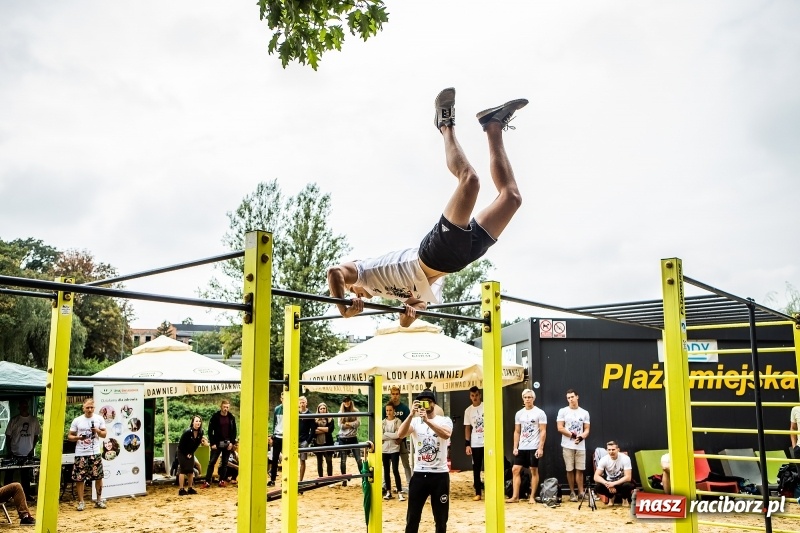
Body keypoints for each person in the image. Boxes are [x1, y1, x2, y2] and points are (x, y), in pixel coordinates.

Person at [327, 88, 527, 328]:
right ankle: (492, 124)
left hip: (434, 255)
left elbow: (334, 273)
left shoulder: (363, 272)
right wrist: (408, 312)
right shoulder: (386, 292)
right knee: (511, 198)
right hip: (461, 257)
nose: (356, 296)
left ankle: (444, 123)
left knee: (470, 180)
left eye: (352, 291)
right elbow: (409, 318)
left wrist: (342, 308)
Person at [397, 389, 453, 533]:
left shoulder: (444, 420)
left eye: (427, 402)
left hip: (439, 475)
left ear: (434, 403)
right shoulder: (415, 421)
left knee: (441, 519)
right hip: (420, 474)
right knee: (412, 517)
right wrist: (410, 415)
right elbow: (400, 434)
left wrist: (428, 422)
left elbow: (446, 434)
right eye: (421, 402)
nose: (424, 405)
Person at [506, 389, 547, 504]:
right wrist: (515, 447)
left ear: (533, 398)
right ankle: (515, 496)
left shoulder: (540, 413)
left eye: (529, 397)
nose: (527, 399)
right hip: (522, 446)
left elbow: (543, 431)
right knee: (515, 469)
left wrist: (540, 447)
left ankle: (532, 497)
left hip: (534, 446)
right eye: (525, 397)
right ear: (522, 398)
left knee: (533, 470)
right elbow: (517, 431)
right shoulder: (519, 413)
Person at [67, 398, 108, 511]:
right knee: (80, 478)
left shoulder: (99, 419)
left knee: (98, 477)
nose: (89, 410)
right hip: (81, 453)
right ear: (83, 408)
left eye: (91, 407)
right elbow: (69, 436)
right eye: (87, 408)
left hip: (95, 452)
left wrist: (98, 431)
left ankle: (99, 500)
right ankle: (81, 502)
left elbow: (104, 434)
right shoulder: (77, 420)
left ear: (94, 408)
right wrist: (78, 438)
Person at [556, 389, 590, 502]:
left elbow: (587, 429)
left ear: (577, 397)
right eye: (568, 398)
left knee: (580, 470)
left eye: (572, 397)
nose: (571, 399)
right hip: (567, 445)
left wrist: (581, 437)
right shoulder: (563, 411)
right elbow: (560, 427)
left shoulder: (584, 412)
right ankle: (572, 492)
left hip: (580, 445)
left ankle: (581, 492)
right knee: (569, 469)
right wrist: (573, 435)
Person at [3, 399, 41, 501]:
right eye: (22, 406)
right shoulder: (14, 420)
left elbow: (37, 435)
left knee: (26, 475)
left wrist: (32, 448)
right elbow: (8, 436)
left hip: (27, 452)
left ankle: (26, 495)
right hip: (14, 451)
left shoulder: (34, 420)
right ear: (19, 407)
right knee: (9, 474)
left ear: (28, 407)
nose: (24, 408)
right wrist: (9, 450)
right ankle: (6, 496)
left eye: (26, 406)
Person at [203, 399, 237, 488]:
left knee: (225, 463)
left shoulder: (231, 417)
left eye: (227, 407)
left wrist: (232, 443)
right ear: (221, 407)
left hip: (227, 442)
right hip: (217, 443)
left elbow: (234, 431)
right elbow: (210, 431)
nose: (226, 409)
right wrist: (212, 443)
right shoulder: (215, 417)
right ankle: (207, 481)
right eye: (224, 407)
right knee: (212, 462)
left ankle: (222, 480)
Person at [386, 386, 412, 494]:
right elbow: (383, 424)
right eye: (393, 394)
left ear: (399, 395)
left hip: (401, 440)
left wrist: (401, 439)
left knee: (405, 463)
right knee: (388, 465)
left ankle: (410, 484)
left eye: (397, 394)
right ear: (390, 394)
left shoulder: (405, 409)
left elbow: (409, 425)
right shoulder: (387, 408)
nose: (395, 396)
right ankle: (385, 486)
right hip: (389, 442)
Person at [593, 440, 635, 506]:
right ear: (607, 450)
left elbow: (628, 477)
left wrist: (614, 483)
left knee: (628, 485)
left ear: (618, 450)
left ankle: (624, 499)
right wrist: (607, 484)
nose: (611, 452)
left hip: (621, 483)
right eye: (609, 450)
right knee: (598, 487)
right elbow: (596, 476)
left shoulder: (625, 458)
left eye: (613, 449)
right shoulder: (604, 459)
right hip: (609, 482)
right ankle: (611, 497)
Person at [463, 386, 484, 501]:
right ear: (470, 396)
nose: (475, 397)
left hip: (488, 441)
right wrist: (467, 444)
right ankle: (478, 492)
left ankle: (492, 490)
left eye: (476, 395)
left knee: (490, 466)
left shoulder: (486, 406)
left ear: (479, 395)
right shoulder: (468, 411)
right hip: (476, 442)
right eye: (472, 395)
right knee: (476, 467)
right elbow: (467, 427)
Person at [177, 415, 206, 496]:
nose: (198, 423)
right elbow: (181, 445)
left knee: (190, 470)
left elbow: (196, 444)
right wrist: (186, 454)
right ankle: (181, 489)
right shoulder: (187, 432)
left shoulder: (201, 432)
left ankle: (190, 488)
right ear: (193, 422)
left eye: (199, 421)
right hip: (182, 451)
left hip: (190, 452)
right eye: (196, 421)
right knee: (183, 470)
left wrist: (191, 453)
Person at [337, 396, 362, 485]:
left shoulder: (356, 411)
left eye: (348, 401)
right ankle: (344, 479)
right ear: (343, 403)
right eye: (345, 401)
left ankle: (363, 477)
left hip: (353, 437)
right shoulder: (340, 412)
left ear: (350, 401)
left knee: (358, 459)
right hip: (343, 438)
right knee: (343, 460)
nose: (346, 403)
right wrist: (351, 424)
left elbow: (358, 423)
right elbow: (340, 425)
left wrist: (348, 423)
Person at [382, 404, 404, 501]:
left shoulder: (398, 421)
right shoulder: (383, 422)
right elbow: (381, 436)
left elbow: (398, 434)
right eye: (387, 410)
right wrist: (392, 435)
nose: (388, 412)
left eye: (390, 410)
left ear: (394, 411)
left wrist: (386, 434)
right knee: (386, 471)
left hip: (395, 449)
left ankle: (399, 491)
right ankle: (388, 491)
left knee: (395, 470)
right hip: (385, 449)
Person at [313, 402, 334, 478]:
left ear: (326, 409)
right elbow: (313, 431)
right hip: (318, 443)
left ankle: (330, 478)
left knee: (329, 461)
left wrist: (319, 428)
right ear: (318, 410)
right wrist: (325, 430)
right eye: (321, 408)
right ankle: (320, 478)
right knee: (319, 462)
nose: (322, 410)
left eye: (324, 408)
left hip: (328, 442)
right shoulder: (314, 419)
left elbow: (330, 429)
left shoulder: (330, 418)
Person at [298, 396, 316, 481]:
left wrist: (307, 441)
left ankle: (300, 481)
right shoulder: (295, 413)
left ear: (306, 403)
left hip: (304, 440)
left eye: (303, 402)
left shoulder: (310, 415)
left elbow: (313, 430)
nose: (302, 404)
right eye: (300, 402)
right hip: (295, 440)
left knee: (302, 461)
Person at [268, 392, 284, 487]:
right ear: (280, 398)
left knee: (286, 459)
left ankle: (284, 480)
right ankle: (273, 479)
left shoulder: (291, 408)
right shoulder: (277, 409)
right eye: (282, 398)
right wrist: (273, 435)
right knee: (275, 458)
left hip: (287, 436)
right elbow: (274, 422)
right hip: (278, 436)